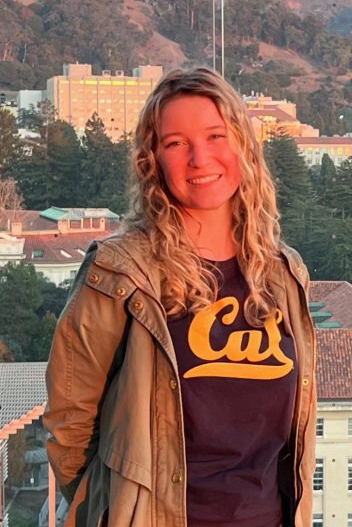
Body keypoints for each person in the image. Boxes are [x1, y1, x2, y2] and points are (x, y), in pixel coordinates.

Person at [43, 67, 317, 527]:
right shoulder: (117, 274)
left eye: (215, 135)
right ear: (153, 160)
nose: (199, 158)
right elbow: (69, 423)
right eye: (175, 143)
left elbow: (292, 444)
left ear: (244, 146)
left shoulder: (284, 276)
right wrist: (113, 510)